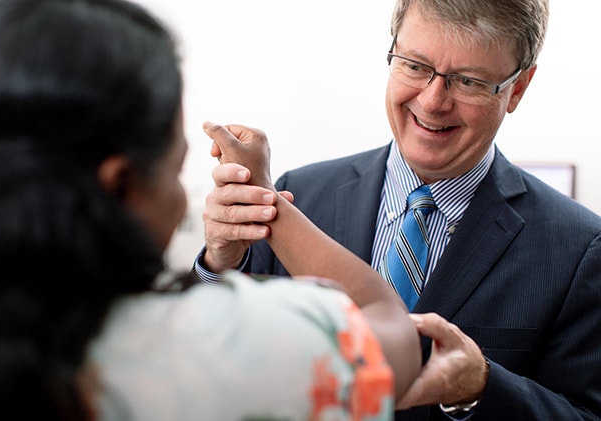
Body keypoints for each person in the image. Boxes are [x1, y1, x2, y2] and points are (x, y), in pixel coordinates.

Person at [0, 0, 423, 420]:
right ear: (122, 185)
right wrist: (265, 201)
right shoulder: (226, 345)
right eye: (174, 169)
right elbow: (392, 328)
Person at [196, 0, 601, 419]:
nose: (432, 101)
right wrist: (220, 263)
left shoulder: (580, 250)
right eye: (414, 66)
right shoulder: (299, 194)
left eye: (468, 81)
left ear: (517, 88)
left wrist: (479, 386)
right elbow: (216, 357)